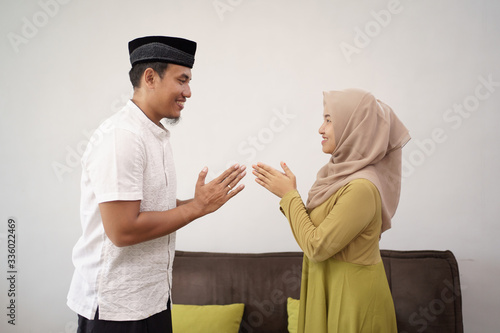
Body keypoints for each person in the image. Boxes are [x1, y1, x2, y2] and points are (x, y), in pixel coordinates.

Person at [67, 36, 246, 333]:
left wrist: (199, 203)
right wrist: (197, 209)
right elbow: (122, 230)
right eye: (182, 80)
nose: (188, 92)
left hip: (154, 299)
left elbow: (150, 209)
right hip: (116, 308)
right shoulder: (122, 137)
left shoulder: (152, 134)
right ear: (150, 77)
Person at [252, 88, 410, 332]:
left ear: (354, 127)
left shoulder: (362, 188)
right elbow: (315, 235)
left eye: (329, 120)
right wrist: (290, 195)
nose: (321, 129)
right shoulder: (336, 178)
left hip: (353, 304)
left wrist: (289, 196)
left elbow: (317, 246)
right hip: (328, 292)